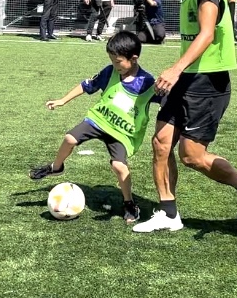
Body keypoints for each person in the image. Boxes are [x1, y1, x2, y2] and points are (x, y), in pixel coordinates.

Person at [132, 0, 237, 233]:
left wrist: (176, 68)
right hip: (186, 79)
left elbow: (206, 34)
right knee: (161, 143)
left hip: (209, 82)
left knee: (192, 156)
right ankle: (168, 213)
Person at [30, 32, 159, 224]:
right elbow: (86, 85)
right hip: (99, 120)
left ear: (134, 59)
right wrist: (62, 101)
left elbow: (167, 102)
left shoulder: (148, 82)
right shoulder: (110, 72)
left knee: (119, 166)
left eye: (118, 62)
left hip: (122, 133)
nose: (115, 65)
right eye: (112, 61)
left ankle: (129, 203)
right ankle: (56, 167)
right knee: (69, 138)